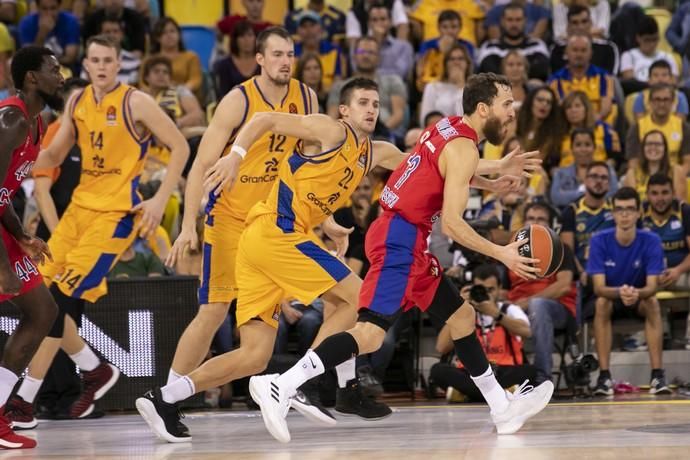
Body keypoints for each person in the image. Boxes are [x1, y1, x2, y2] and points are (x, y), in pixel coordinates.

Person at [137, 74, 542, 443]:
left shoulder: (377, 151)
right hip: (276, 233)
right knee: (356, 300)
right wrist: (237, 155)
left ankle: (165, 398)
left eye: (376, 103)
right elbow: (264, 120)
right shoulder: (329, 129)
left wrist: (492, 172)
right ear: (344, 110)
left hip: (265, 242)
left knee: (254, 355)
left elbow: (438, 164)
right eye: (362, 102)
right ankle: (316, 386)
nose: (371, 109)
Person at [136, 27, 319, 442]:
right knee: (214, 310)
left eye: (289, 54)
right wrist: (186, 225)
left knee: (259, 348)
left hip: (273, 224)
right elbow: (201, 163)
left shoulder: (306, 97)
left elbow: (309, 164)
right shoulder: (239, 99)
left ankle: (299, 384)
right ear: (258, 58)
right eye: (276, 54)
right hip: (232, 219)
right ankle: (169, 399)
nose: (285, 61)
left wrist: (319, 218)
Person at [5, 34, 189, 428]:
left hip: (115, 214)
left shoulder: (136, 101)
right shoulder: (77, 101)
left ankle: (25, 398)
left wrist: (158, 200)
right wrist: (20, 157)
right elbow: (54, 154)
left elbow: (180, 146)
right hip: (78, 212)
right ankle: (94, 369)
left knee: (59, 299)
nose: (102, 66)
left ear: (117, 63)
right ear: (86, 64)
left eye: (109, 60)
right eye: (95, 60)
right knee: (41, 298)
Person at [0, 45, 63, 450]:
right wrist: (4, 262)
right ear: (30, 78)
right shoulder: (11, 121)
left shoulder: (37, 122)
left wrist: (21, 235)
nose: (62, 76)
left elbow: (2, 193)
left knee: (43, 311)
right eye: (53, 70)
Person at [587, 187, 671, 395]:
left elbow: (652, 286)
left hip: (640, 298)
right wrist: (622, 293)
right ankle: (604, 377)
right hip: (612, 299)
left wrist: (634, 294)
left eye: (630, 209)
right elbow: (598, 288)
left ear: (638, 213)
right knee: (601, 303)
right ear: (613, 213)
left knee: (653, 302)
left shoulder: (651, 240)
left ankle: (657, 375)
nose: (625, 214)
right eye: (620, 210)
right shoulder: (599, 240)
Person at [430, 263, 536, 401]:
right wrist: (457, 307)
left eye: (490, 290)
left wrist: (496, 314)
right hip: (471, 372)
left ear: (499, 289)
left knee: (530, 371)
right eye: (481, 289)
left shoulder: (507, 309)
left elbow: (527, 332)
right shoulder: (464, 312)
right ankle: (501, 394)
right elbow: (441, 347)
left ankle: (467, 395)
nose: (486, 294)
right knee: (438, 370)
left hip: (503, 370)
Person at [508, 203, 578, 385]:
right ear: (524, 223)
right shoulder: (511, 252)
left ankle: (542, 379)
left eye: (541, 219)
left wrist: (529, 302)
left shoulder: (561, 249)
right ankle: (496, 376)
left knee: (538, 305)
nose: (535, 223)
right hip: (517, 310)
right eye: (531, 219)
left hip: (556, 309)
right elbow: (503, 288)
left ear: (551, 224)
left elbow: (563, 286)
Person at [642, 173, 690, 349]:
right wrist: (652, 273)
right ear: (647, 195)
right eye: (654, 193)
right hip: (651, 275)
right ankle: (646, 338)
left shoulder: (684, 211)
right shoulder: (639, 214)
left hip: (681, 273)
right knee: (632, 284)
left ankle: (684, 337)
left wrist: (678, 270)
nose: (660, 198)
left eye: (665, 192)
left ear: (673, 193)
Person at [622, 130, 686, 203]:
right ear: (643, 148)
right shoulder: (632, 173)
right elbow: (630, 204)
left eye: (658, 144)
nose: (653, 147)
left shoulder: (676, 171)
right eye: (649, 144)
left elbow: (680, 203)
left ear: (665, 148)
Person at [18, 0, 80, 68]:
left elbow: (70, 58)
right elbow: (28, 58)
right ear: (38, 8)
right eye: (44, 9)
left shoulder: (70, 21)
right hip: (37, 67)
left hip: (64, 67)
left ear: (59, 7)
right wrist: (42, 33)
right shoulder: (27, 23)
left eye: (53, 8)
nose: (49, 13)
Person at [213, 20, 259, 101]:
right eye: (242, 36)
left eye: (250, 35)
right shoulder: (224, 65)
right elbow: (222, 95)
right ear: (235, 40)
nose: (246, 40)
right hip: (233, 107)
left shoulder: (264, 63)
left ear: (255, 38)